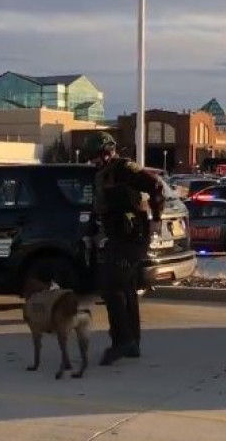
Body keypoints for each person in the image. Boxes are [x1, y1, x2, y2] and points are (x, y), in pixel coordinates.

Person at [81, 132, 165, 366]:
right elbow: (99, 207)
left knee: (111, 286)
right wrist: (90, 233)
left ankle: (121, 341)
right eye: (92, 157)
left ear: (109, 151)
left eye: (98, 155)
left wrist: (156, 218)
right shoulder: (102, 175)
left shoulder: (125, 168)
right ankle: (132, 344)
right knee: (125, 288)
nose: (95, 160)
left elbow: (156, 185)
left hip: (133, 237)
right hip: (117, 237)